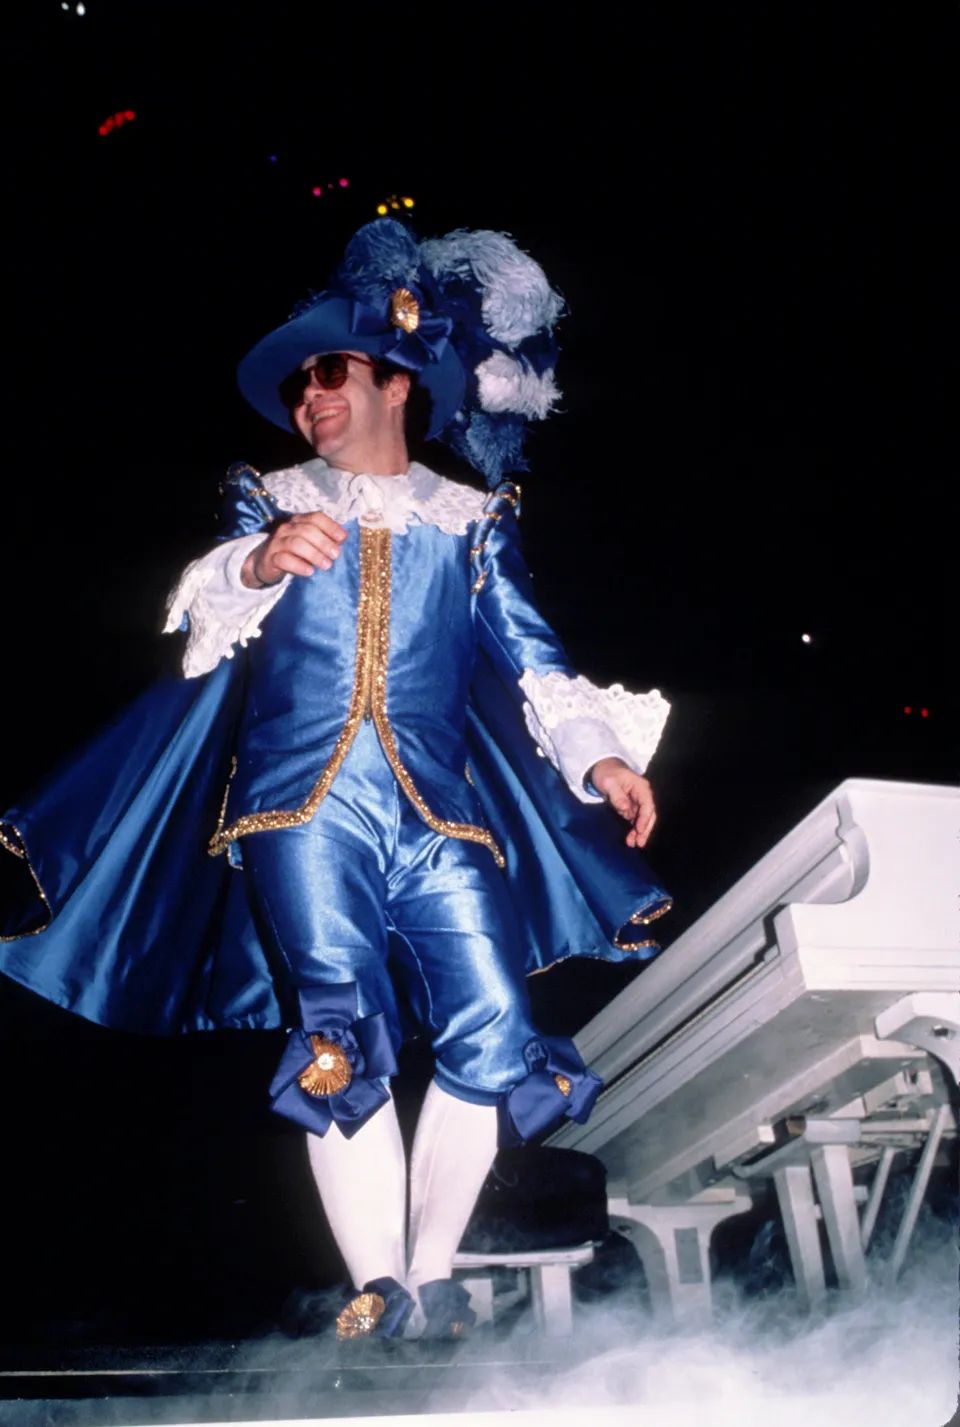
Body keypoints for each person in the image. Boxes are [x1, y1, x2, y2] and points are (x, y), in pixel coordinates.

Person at [0, 219, 671, 1341]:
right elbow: (200, 611)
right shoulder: (267, 497)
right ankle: (384, 1283)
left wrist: (598, 752)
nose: (306, 394)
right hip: (298, 804)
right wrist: (259, 561)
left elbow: (534, 659)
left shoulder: (470, 524)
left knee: (495, 1019)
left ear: (397, 384)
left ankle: (433, 1264)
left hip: (440, 807)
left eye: (327, 371)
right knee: (338, 1020)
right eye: (299, 380)